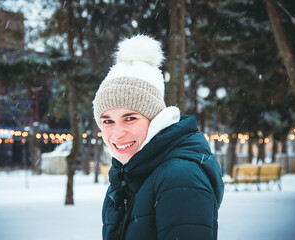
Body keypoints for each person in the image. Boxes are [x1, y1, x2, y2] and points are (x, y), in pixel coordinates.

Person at [93, 35, 224, 240]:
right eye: (107, 121)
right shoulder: (126, 175)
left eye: (130, 118)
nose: (117, 134)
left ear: (155, 119)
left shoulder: (179, 177)